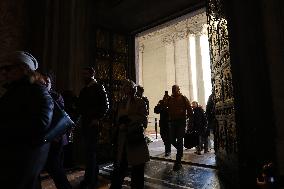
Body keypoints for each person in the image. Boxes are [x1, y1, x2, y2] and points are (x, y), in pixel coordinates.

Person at [0, 51, 54, 189]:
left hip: (24, 157)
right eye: (2, 69)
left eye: (8, 68)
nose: (4, 72)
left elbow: (41, 124)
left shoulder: (37, 91)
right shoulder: (15, 90)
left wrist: (5, 128)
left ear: (23, 68)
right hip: (14, 155)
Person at [110, 79, 150, 189]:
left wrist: (128, 121)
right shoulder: (120, 102)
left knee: (137, 168)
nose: (125, 88)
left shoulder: (140, 101)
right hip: (122, 139)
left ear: (132, 88)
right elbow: (117, 118)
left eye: (127, 86)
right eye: (123, 86)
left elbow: (143, 119)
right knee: (120, 167)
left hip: (135, 138)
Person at [78, 67, 109, 189]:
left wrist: (97, 118)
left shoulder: (98, 88)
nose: (83, 76)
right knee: (89, 153)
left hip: (93, 124)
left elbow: (105, 106)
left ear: (92, 74)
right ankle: (92, 178)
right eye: (83, 74)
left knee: (91, 153)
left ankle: (90, 181)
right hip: (86, 123)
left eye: (86, 74)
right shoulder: (85, 89)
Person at [42, 74, 72, 189]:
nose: (45, 84)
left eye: (47, 82)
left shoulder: (56, 96)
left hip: (56, 137)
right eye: (43, 82)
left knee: (56, 168)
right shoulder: (40, 95)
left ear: (50, 84)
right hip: (45, 138)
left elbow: (59, 117)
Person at [168, 85, 193, 171]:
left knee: (179, 140)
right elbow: (164, 108)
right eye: (173, 89)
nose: (174, 91)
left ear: (178, 90)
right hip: (172, 122)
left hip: (181, 122)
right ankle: (180, 151)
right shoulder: (169, 99)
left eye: (175, 89)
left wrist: (190, 124)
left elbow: (190, 111)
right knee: (172, 140)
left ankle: (178, 161)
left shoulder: (183, 98)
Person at [154, 91, 171, 156]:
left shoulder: (170, 103)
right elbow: (156, 111)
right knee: (163, 136)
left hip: (169, 123)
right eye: (164, 97)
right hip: (163, 123)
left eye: (166, 97)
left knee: (168, 137)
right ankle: (167, 148)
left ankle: (168, 150)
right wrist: (160, 105)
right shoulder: (161, 103)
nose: (165, 98)